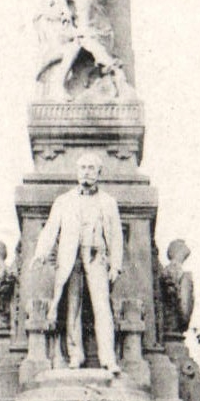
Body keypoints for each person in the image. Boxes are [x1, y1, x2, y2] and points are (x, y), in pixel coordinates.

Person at [33, 151, 123, 373]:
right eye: (83, 168)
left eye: (92, 168)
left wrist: (116, 264)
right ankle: (76, 355)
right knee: (73, 307)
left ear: (99, 173)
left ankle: (108, 358)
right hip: (71, 258)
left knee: (102, 307)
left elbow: (116, 236)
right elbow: (51, 229)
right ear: (77, 171)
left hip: (96, 256)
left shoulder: (108, 202)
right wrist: (40, 253)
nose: (87, 172)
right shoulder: (64, 201)